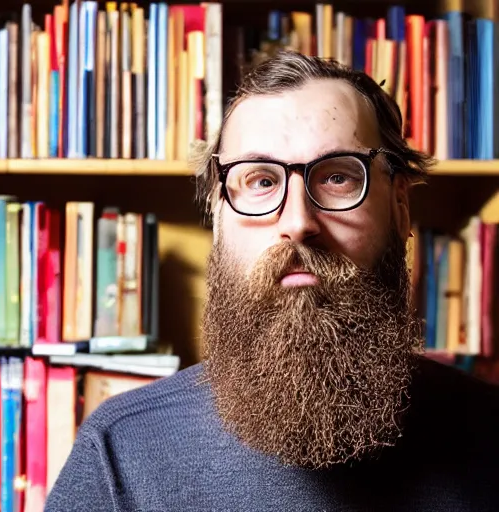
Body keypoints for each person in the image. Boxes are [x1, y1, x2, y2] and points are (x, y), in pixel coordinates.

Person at [45, 51, 499, 511]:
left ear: (400, 207)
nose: (298, 221)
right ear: (219, 217)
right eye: (261, 181)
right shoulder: (119, 453)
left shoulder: (489, 437)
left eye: (339, 177)